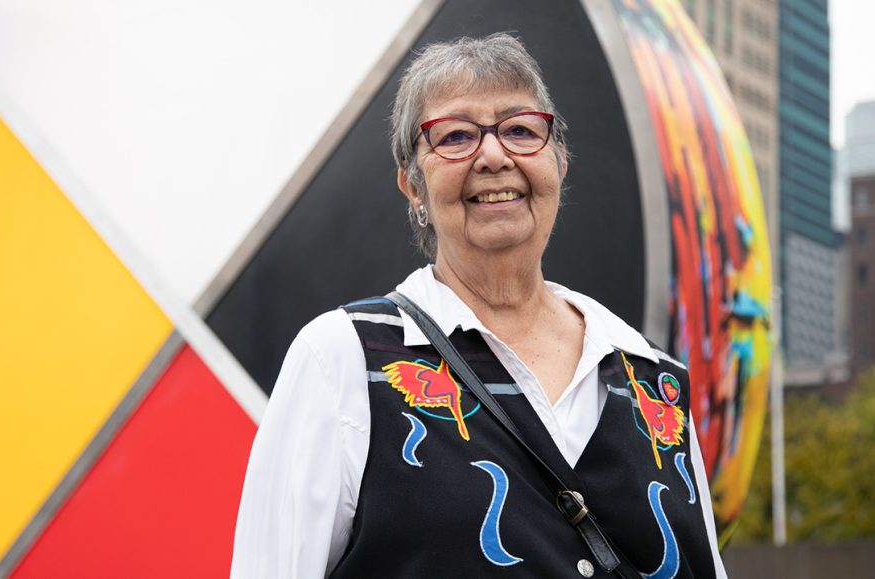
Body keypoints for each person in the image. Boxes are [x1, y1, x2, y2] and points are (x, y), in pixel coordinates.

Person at [231, 33, 726, 578]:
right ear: (412, 186)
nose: (494, 156)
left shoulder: (652, 379)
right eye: (456, 136)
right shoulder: (344, 360)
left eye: (520, 130)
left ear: (559, 163)